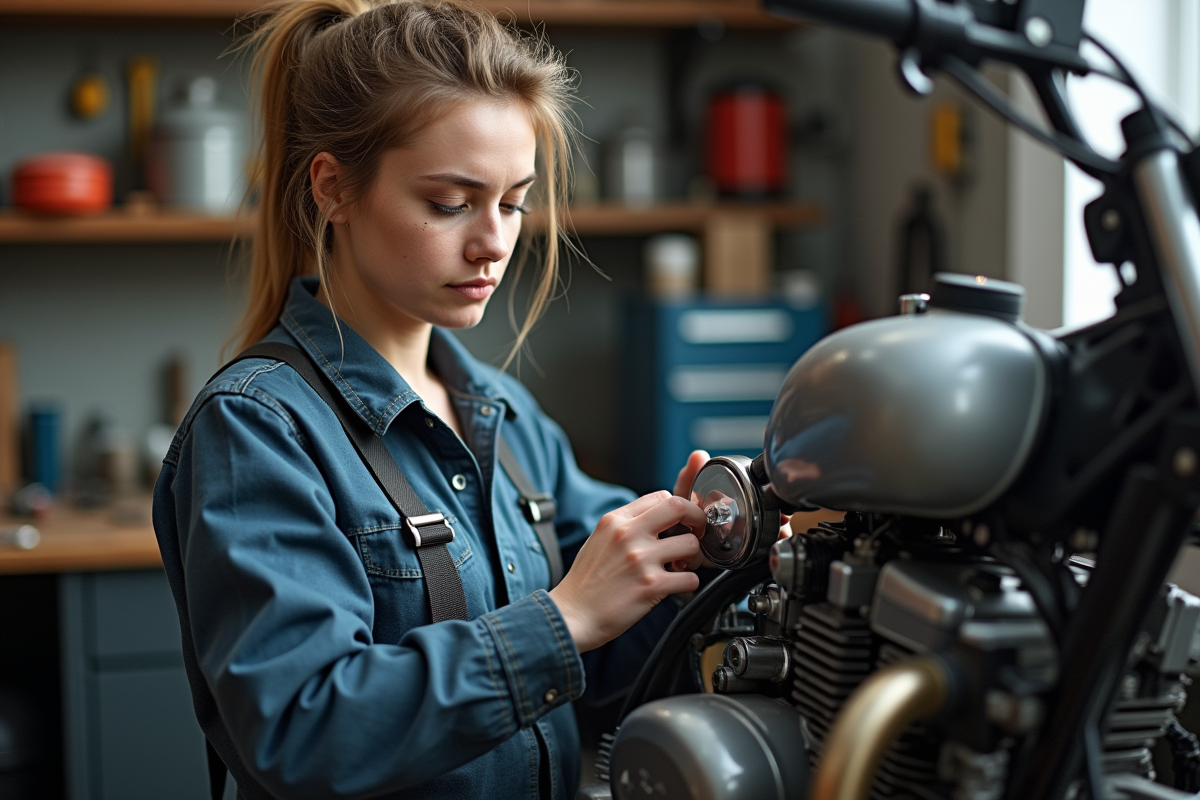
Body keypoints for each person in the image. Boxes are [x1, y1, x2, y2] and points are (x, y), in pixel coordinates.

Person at [151, 1, 713, 798]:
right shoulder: (256, 428)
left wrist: (710, 560)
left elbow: (612, 662)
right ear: (333, 188)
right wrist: (563, 620)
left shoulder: (507, 417)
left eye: (513, 202)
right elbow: (302, 730)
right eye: (450, 203)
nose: (493, 241)